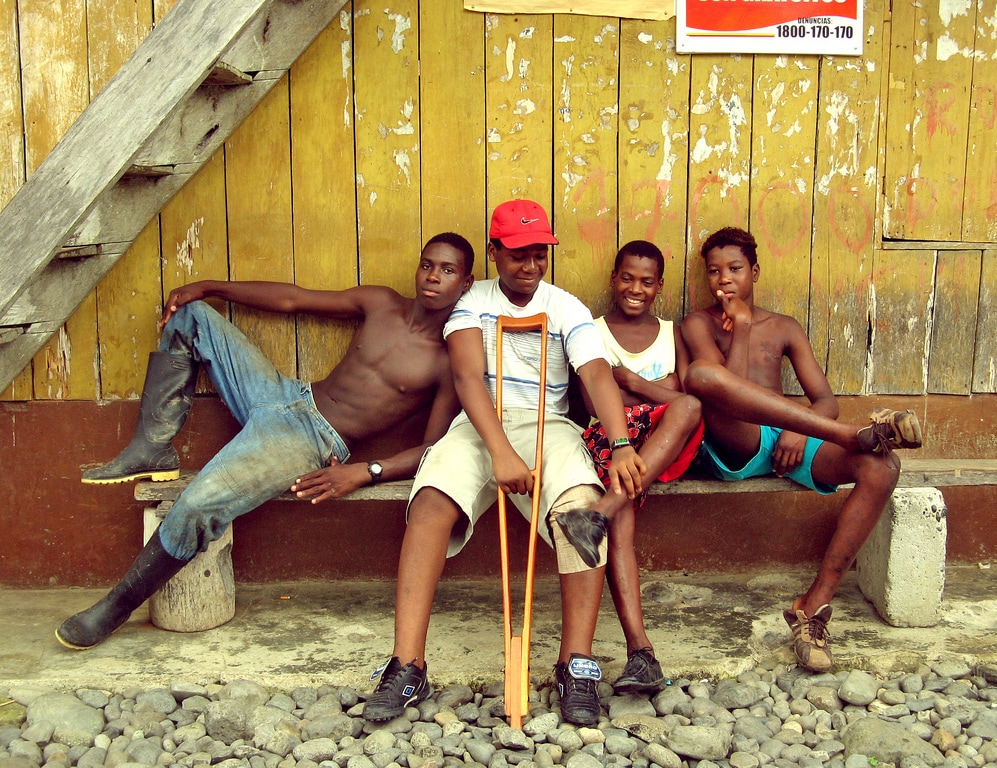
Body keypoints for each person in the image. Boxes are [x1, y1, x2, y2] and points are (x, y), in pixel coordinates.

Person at [57, 233, 476, 650]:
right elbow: (294, 299)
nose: (432, 277)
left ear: (466, 282)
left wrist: (365, 472)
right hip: (285, 394)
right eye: (427, 265)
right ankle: (151, 447)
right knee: (191, 314)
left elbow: (432, 448)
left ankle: (117, 606)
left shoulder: (446, 360)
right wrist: (209, 287)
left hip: (311, 438)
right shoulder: (382, 302)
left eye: (447, 270)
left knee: (199, 504)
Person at [362, 199, 646, 727]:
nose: (531, 265)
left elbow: (596, 374)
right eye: (518, 255)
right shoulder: (472, 302)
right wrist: (500, 452)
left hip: (549, 426)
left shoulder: (565, 307)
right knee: (431, 501)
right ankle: (407, 666)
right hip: (480, 424)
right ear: (494, 252)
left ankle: (576, 664)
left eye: (540, 254)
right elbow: (468, 378)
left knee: (582, 512)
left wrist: (621, 442)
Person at [680, 226, 923, 673]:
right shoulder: (698, 324)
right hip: (738, 440)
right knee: (703, 376)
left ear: (754, 271)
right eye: (714, 272)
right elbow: (724, 393)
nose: (724, 279)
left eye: (735, 269)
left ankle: (812, 609)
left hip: (790, 436)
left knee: (882, 466)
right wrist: (742, 328)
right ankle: (852, 434)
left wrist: (797, 428)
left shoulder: (785, 327)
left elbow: (825, 399)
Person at [579, 240, 703, 694]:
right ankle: (641, 653)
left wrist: (630, 382)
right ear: (614, 279)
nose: (636, 289)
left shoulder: (673, 333)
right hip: (612, 444)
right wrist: (660, 388)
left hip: (663, 444)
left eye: (646, 282)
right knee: (623, 519)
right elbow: (593, 401)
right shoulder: (591, 331)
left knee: (688, 407)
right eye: (627, 278)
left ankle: (599, 513)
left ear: (660, 286)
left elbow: (688, 400)